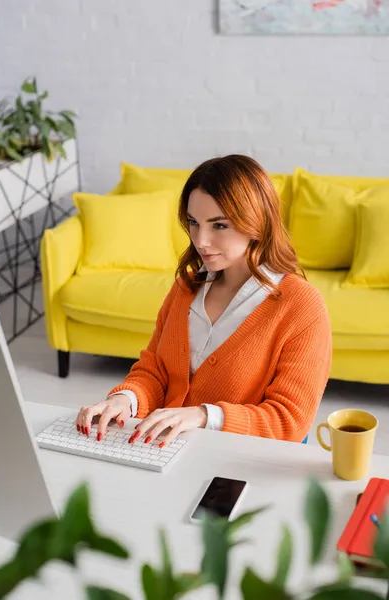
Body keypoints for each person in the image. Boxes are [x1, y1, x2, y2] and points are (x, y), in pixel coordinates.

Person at [76, 155, 332, 448]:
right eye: (193, 223)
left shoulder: (302, 306)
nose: (201, 240)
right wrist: (125, 400)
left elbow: (289, 421)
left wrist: (202, 416)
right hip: (165, 449)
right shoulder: (186, 288)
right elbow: (154, 372)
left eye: (219, 225)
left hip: (239, 462)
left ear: (257, 222)